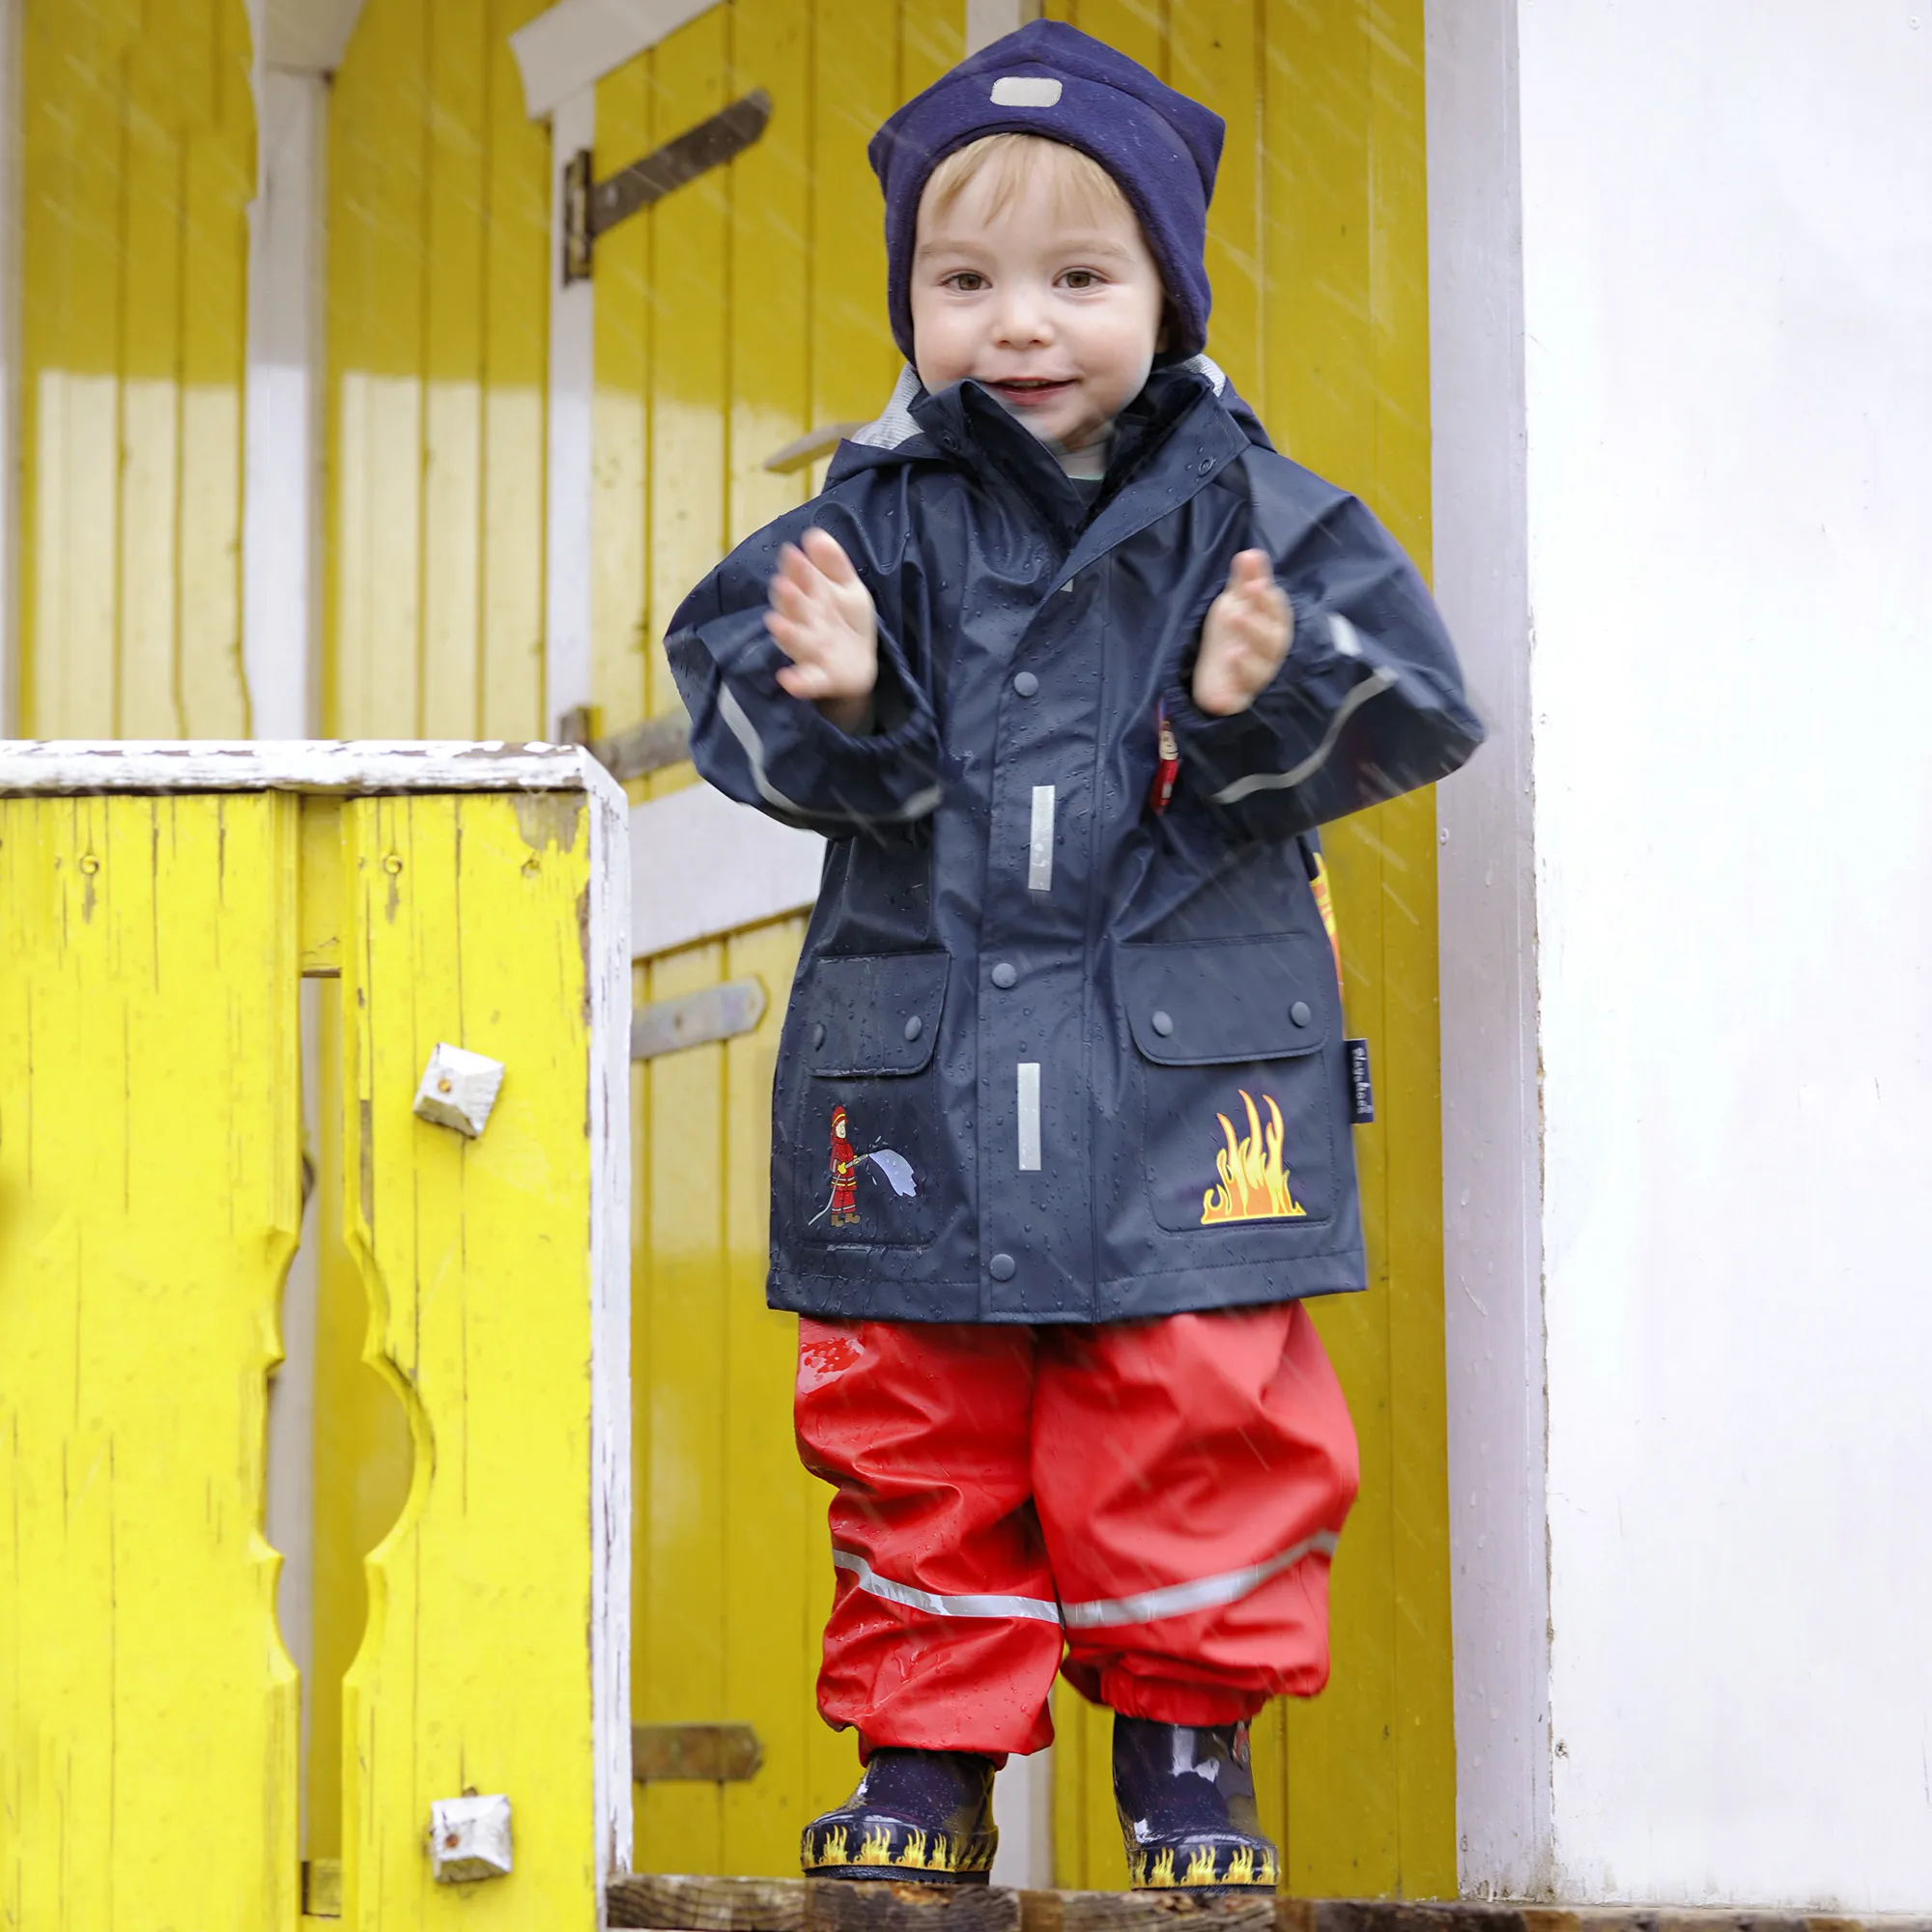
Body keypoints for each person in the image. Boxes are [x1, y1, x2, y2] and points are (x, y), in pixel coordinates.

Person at [665, 20, 1481, 1891]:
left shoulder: (1248, 509)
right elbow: (726, 682)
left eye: (1076, 278)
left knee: (1193, 1405)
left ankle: (1188, 1755)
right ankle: (925, 1761)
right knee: (917, 1412)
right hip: (925, 1062)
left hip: (1184, 1082)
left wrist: (1258, 707)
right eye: (965, 283)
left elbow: (1413, 699)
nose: (1018, 325)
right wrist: (848, 700)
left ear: (1164, 295)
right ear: (913, 306)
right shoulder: (870, 519)